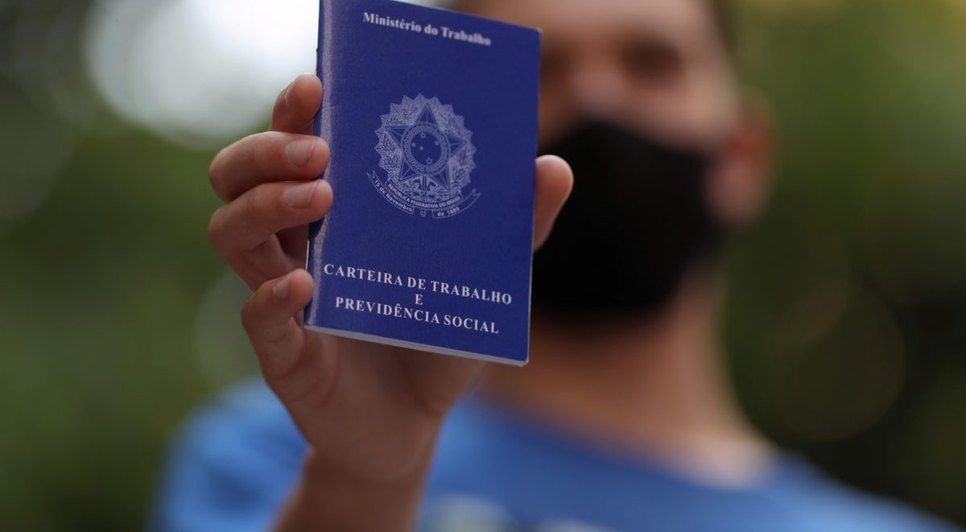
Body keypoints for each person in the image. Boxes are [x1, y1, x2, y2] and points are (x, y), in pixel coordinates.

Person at [152, 0, 957, 530]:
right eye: (539, 70)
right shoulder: (278, 461)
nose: (599, 99)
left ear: (742, 157)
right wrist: (365, 483)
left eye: (652, 62)